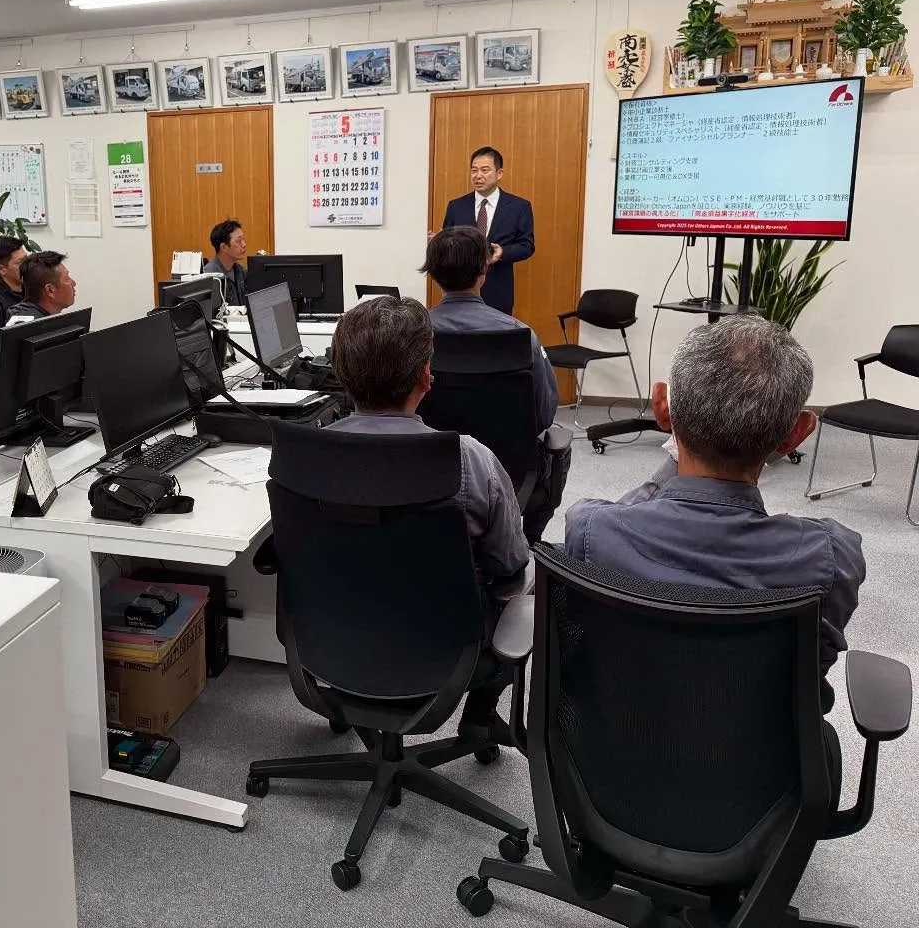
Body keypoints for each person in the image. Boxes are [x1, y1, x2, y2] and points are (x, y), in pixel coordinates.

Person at [564, 317, 863, 808]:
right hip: (755, 798)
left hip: (611, 776)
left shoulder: (592, 530)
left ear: (665, 409)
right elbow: (814, 667)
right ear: (797, 434)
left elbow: (618, 518)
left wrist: (675, 442)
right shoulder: (830, 556)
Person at [328, 295, 528, 741]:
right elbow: (510, 565)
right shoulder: (468, 459)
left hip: (333, 644)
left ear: (341, 373)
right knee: (530, 589)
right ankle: (480, 716)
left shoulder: (306, 456)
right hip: (447, 654)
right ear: (425, 376)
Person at [423, 226, 568, 543]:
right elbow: (545, 413)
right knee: (560, 446)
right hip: (509, 473)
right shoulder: (521, 336)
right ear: (484, 270)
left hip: (428, 468)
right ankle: (526, 540)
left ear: (432, 274)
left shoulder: (414, 336)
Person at [440, 147, 533, 315]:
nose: (478, 176)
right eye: (474, 170)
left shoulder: (519, 207)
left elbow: (527, 246)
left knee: (498, 332)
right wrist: (439, 243)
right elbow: (448, 243)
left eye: (484, 170)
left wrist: (503, 252)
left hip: (498, 291)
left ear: (499, 173)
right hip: (460, 292)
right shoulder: (456, 206)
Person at [5, 250, 77, 324]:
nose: (73, 283)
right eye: (67, 278)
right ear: (50, 290)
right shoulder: (28, 325)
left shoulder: (46, 320)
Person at [203, 219, 248, 306]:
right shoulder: (209, 277)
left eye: (243, 239)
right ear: (223, 247)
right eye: (239, 241)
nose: (244, 244)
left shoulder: (242, 271)